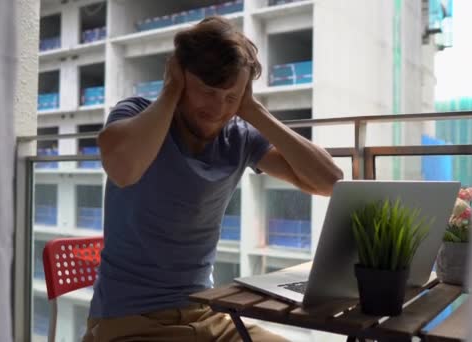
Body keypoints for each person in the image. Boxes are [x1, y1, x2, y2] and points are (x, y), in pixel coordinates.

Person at [82, 16, 343, 342]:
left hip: (208, 312)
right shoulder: (137, 114)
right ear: (180, 77)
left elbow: (330, 182)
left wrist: (252, 110)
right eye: (207, 92)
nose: (218, 108)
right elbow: (124, 170)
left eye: (230, 97)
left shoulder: (240, 137)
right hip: (131, 318)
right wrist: (170, 92)